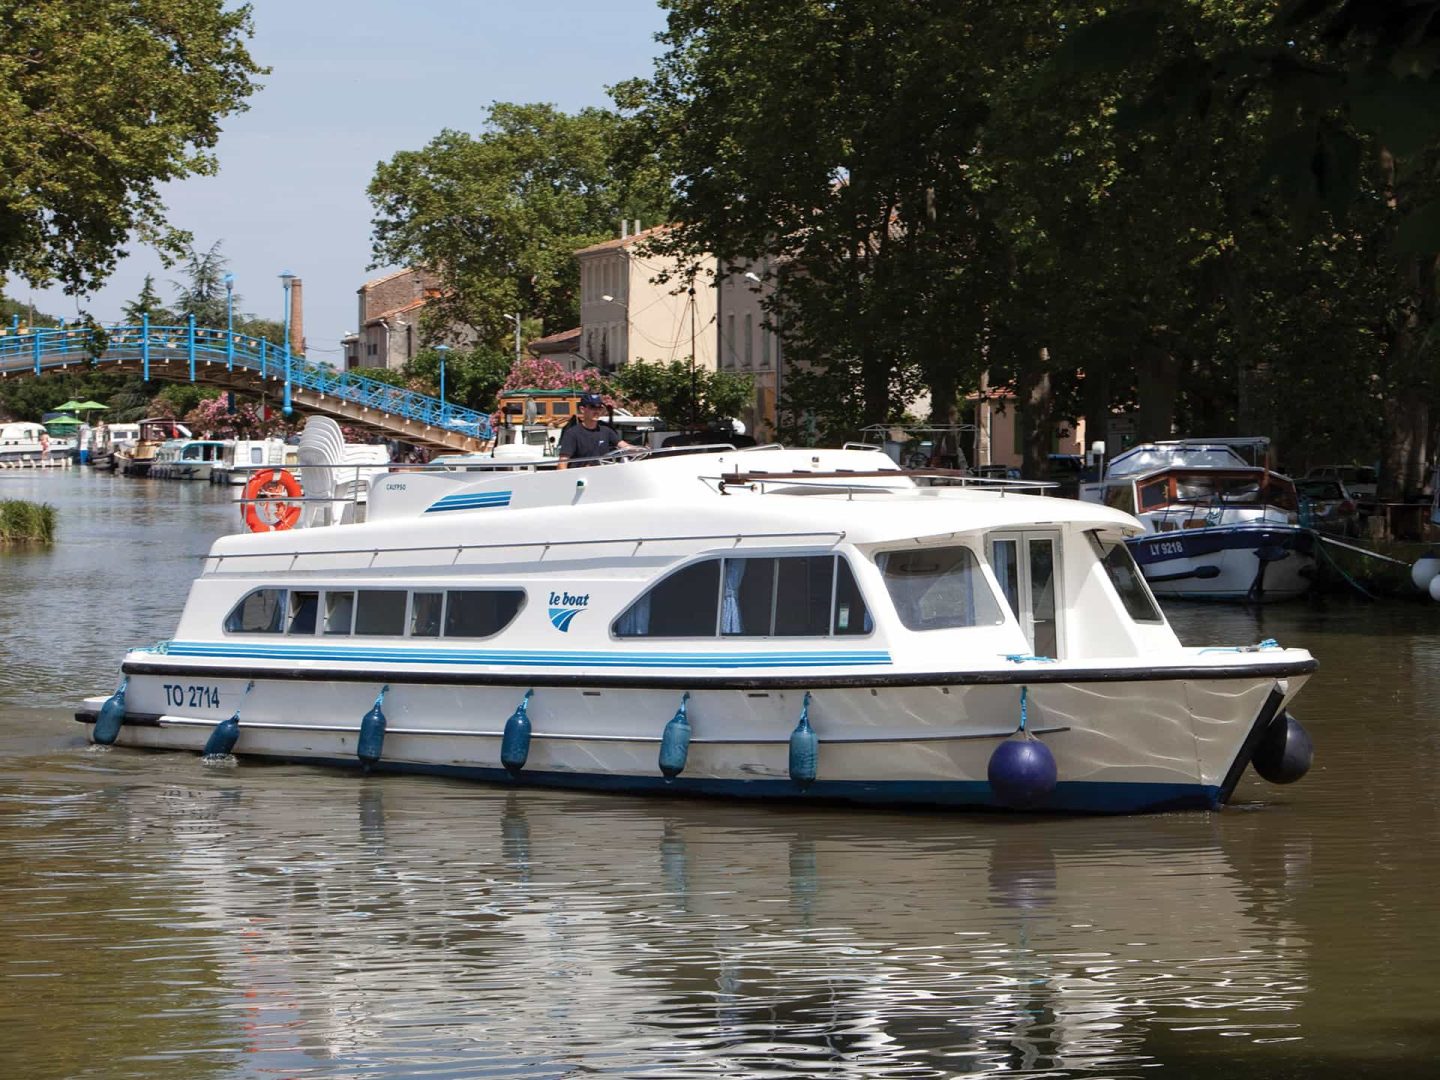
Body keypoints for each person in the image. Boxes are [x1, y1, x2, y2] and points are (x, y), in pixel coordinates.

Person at [556, 392, 631, 468]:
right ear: (582, 409)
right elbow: (562, 462)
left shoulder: (606, 430)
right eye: (592, 407)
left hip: (603, 474)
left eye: (599, 408)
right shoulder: (572, 433)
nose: (597, 411)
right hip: (581, 476)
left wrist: (640, 450)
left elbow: (625, 447)